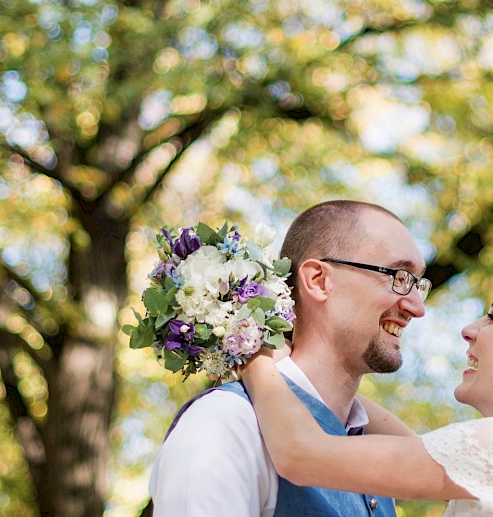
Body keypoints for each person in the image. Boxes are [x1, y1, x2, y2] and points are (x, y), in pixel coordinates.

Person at [242, 257, 493, 516]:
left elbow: (301, 456)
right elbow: (414, 448)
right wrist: (322, 376)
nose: (469, 331)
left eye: (492, 318)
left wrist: (251, 349)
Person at [148, 200, 430, 516]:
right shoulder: (225, 421)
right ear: (319, 281)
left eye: (419, 284)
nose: (417, 308)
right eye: (400, 276)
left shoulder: (372, 455)